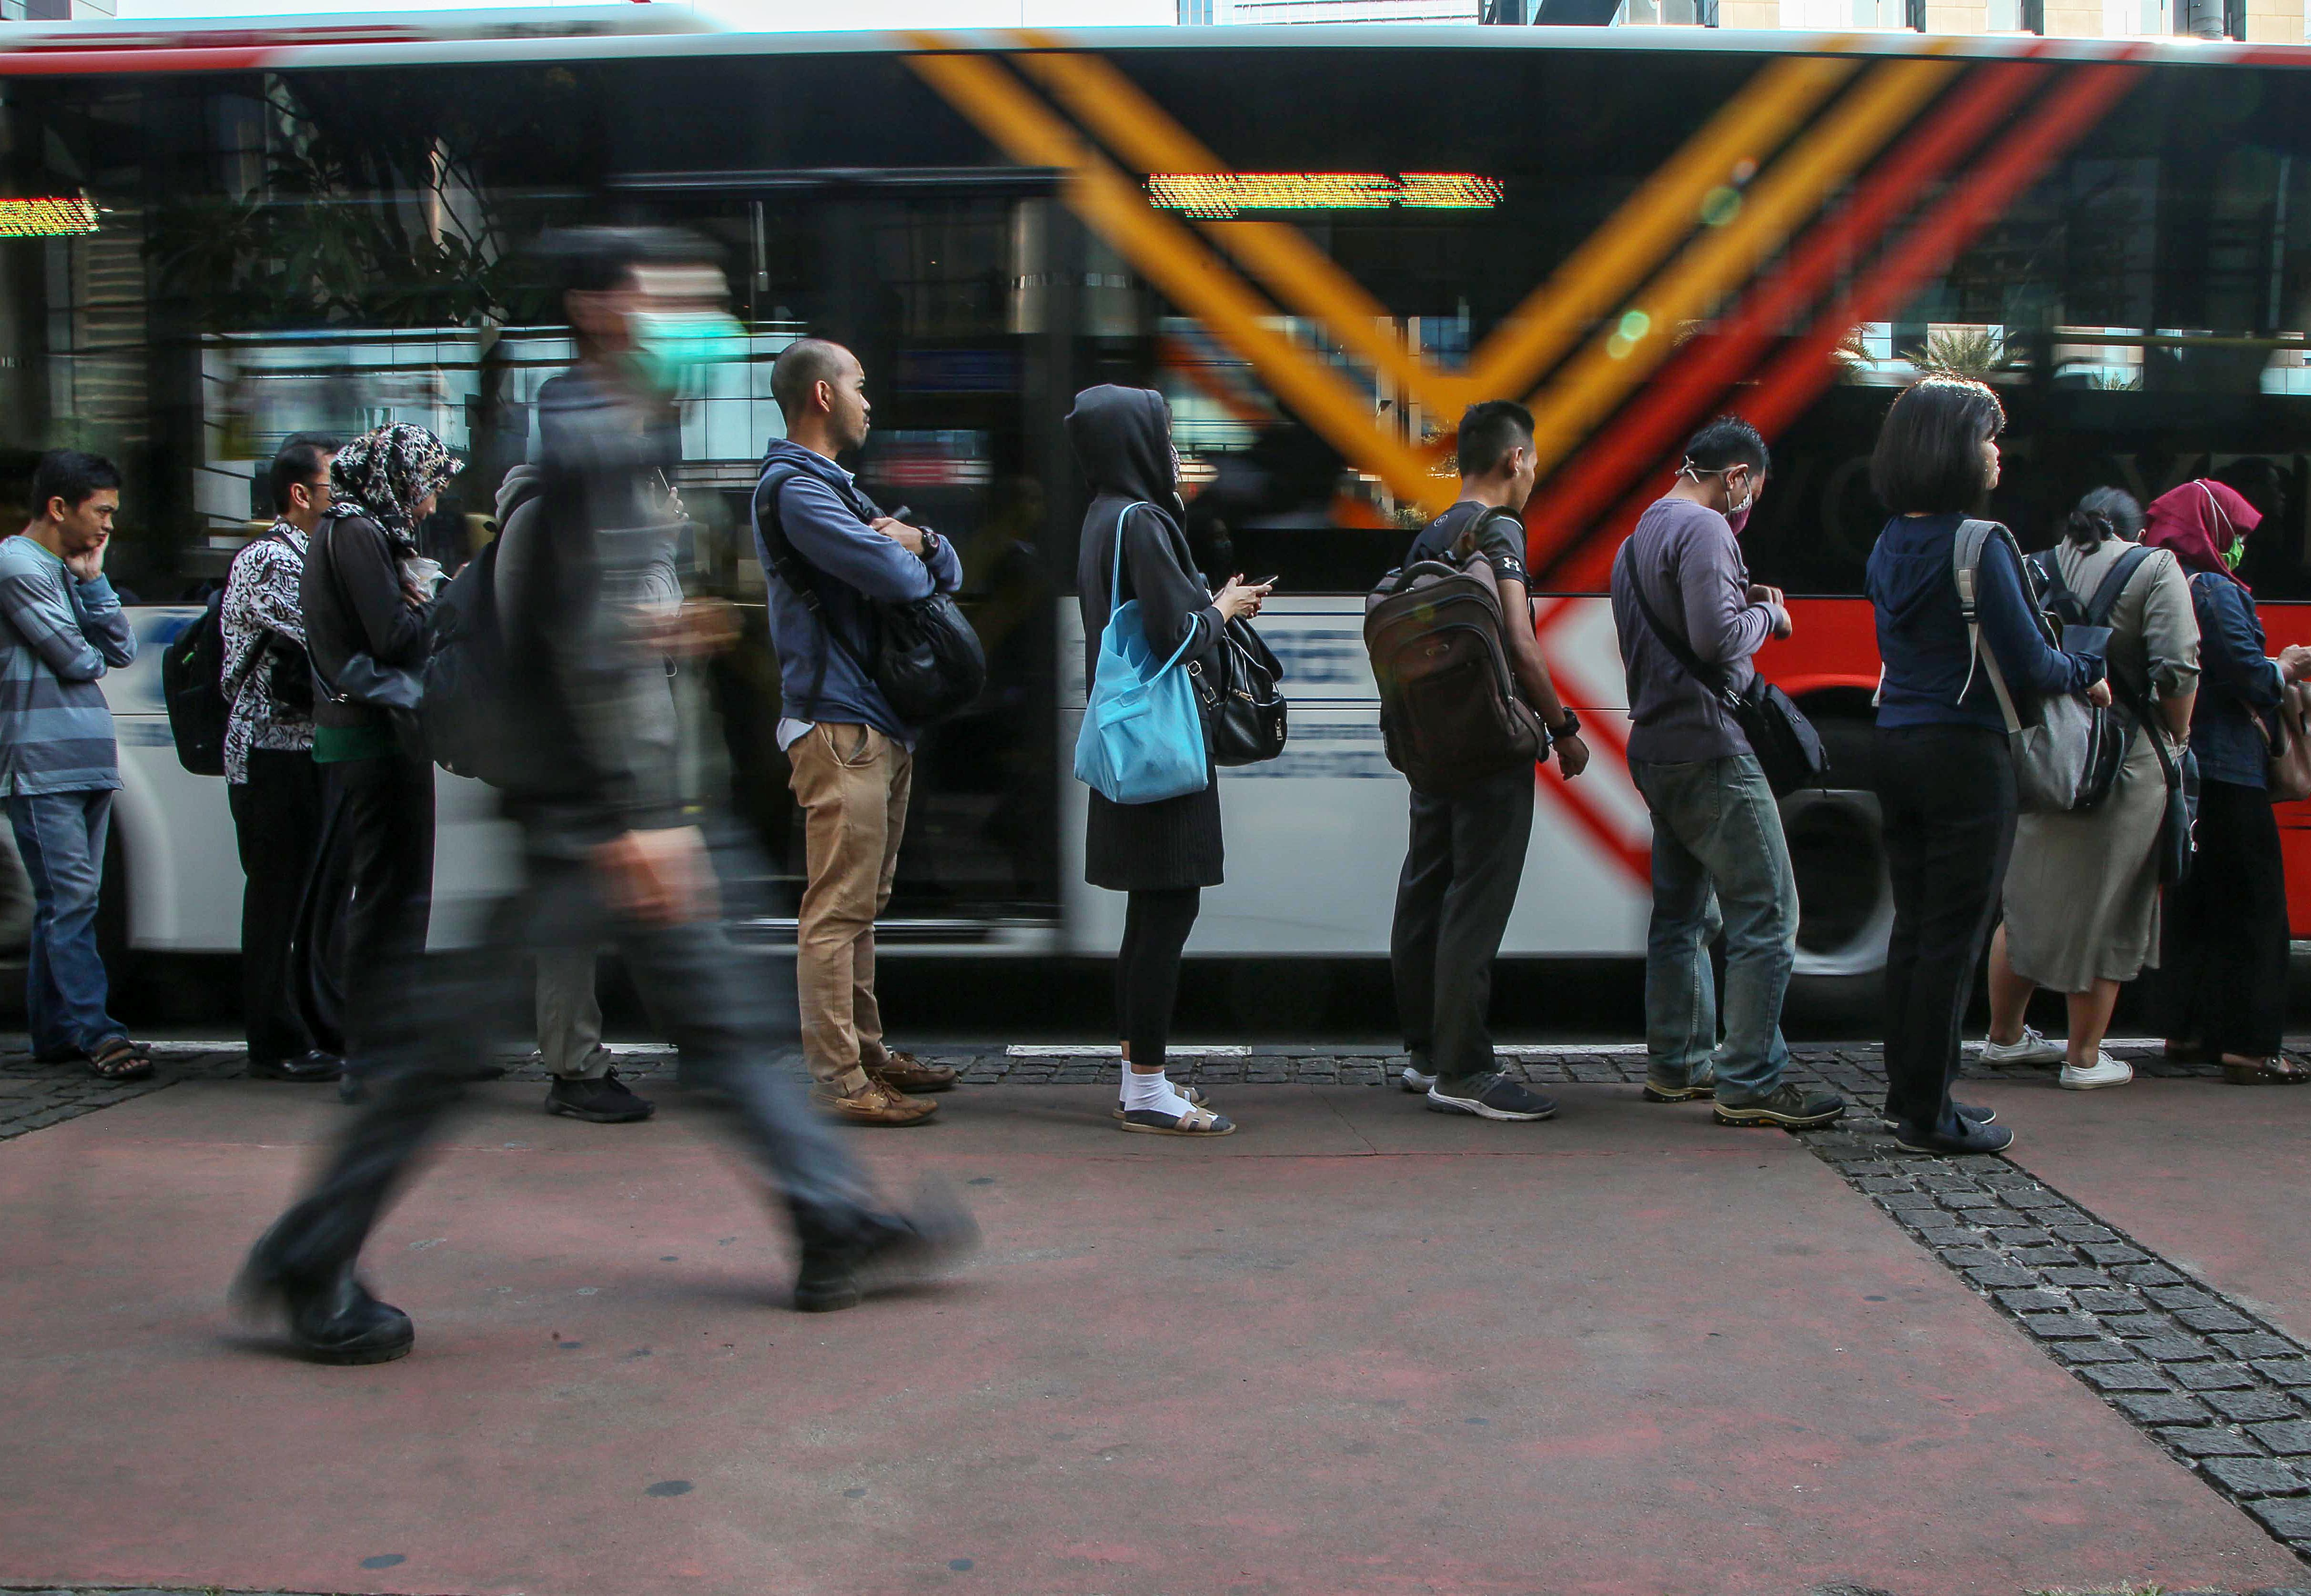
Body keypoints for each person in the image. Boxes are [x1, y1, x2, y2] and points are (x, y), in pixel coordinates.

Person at [237, 228, 973, 1365]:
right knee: (460, 1046)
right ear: (596, 308)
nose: (696, 313)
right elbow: (567, 644)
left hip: (624, 805)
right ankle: (309, 1252)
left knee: (722, 1025)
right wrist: (629, 814)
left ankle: (830, 1221)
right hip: (597, 814)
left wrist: (659, 651)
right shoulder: (584, 441)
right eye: (669, 292)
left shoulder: (618, 431)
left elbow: (576, 627)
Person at [1865, 377, 2107, 1156]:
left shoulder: (1889, 540)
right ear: (1953, 452)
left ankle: (1908, 1091)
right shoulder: (1981, 542)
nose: (1996, 452)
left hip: (1894, 743)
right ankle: (1931, 1114)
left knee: (1915, 927)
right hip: (1964, 752)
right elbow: (2033, 661)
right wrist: (2087, 674)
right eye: (1985, 437)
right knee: (1957, 935)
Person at [1610, 416, 1845, 1129]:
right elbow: (1715, 640)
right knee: (1768, 911)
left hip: (1655, 745)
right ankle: (1749, 1080)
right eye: (1751, 493)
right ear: (1735, 476)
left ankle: (1677, 1064)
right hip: (1710, 748)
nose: (1746, 511)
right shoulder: (1706, 529)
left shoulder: (1634, 540)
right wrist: (1768, 614)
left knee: (1682, 914)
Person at [754, 338, 964, 1126]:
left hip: (873, 722)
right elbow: (904, 581)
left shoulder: (831, 489)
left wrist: (926, 545)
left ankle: (869, 1053)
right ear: (820, 396)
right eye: (859, 385)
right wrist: (917, 550)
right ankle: (841, 1079)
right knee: (838, 909)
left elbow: (940, 571)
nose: (868, 401)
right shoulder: (799, 494)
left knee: (862, 904)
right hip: (839, 725)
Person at [1069, 384, 1265, 1137]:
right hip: (1162, 748)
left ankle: (1139, 1075)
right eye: (1165, 433)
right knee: (1166, 911)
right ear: (1135, 443)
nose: (1174, 449)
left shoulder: (1102, 516)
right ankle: (1146, 1088)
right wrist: (1224, 608)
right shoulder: (1144, 521)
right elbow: (1173, 635)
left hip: (1130, 742)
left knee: (1148, 912)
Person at [1391, 401, 1589, 1122]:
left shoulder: (1429, 536)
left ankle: (1424, 1054)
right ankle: (1465, 1069)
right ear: (1513, 460)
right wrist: (1562, 727)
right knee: (1475, 898)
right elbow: (1518, 637)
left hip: (1432, 742)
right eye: (1533, 460)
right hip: (1487, 744)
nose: (1534, 472)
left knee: (1426, 887)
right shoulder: (1498, 527)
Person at [1982, 489, 2198, 1091]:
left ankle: (2003, 1036)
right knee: (2110, 905)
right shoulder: (2155, 568)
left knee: (2026, 899)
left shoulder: (2034, 564)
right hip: (2125, 759)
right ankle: (2083, 1057)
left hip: (2050, 752)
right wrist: (2176, 735)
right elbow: (2178, 669)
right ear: (2134, 529)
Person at [298, 424, 455, 1098]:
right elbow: (392, 635)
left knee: (391, 892)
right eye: (425, 489)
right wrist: (441, 598)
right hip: (375, 732)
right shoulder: (358, 533)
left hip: (374, 729)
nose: (429, 506)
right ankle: (373, 1055)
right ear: (396, 479)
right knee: (392, 893)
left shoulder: (354, 530)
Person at [2145, 478, 2311, 1085]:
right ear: (2210, 529)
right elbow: (2249, 676)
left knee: (2195, 904)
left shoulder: (2167, 580)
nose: (2240, 543)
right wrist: (2286, 666)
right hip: (2231, 768)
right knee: (2256, 908)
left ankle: (2186, 1030)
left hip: (2188, 767)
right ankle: (2251, 1045)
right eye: (2235, 532)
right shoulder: (2214, 587)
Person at [0, 449, 145, 1081]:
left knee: (65, 900)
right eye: (102, 512)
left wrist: (93, 580)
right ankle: (98, 1031)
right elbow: (77, 659)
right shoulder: (15, 565)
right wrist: (84, 622)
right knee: (72, 898)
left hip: (86, 756)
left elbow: (120, 647)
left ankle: (53, 1032)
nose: (109, 525)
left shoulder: (67, 569)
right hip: (38, 761)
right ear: (59, 507)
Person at [223, 433, 345, 1084]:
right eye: (335, 486)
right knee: (278, 896)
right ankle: (273, 1039)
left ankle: (310, 1023)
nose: (346, 498)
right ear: (300, 495)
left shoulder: (318, 552)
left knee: (312, 897)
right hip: (271, 750)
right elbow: (323, 636)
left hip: (308, 748)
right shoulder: (270, 559)